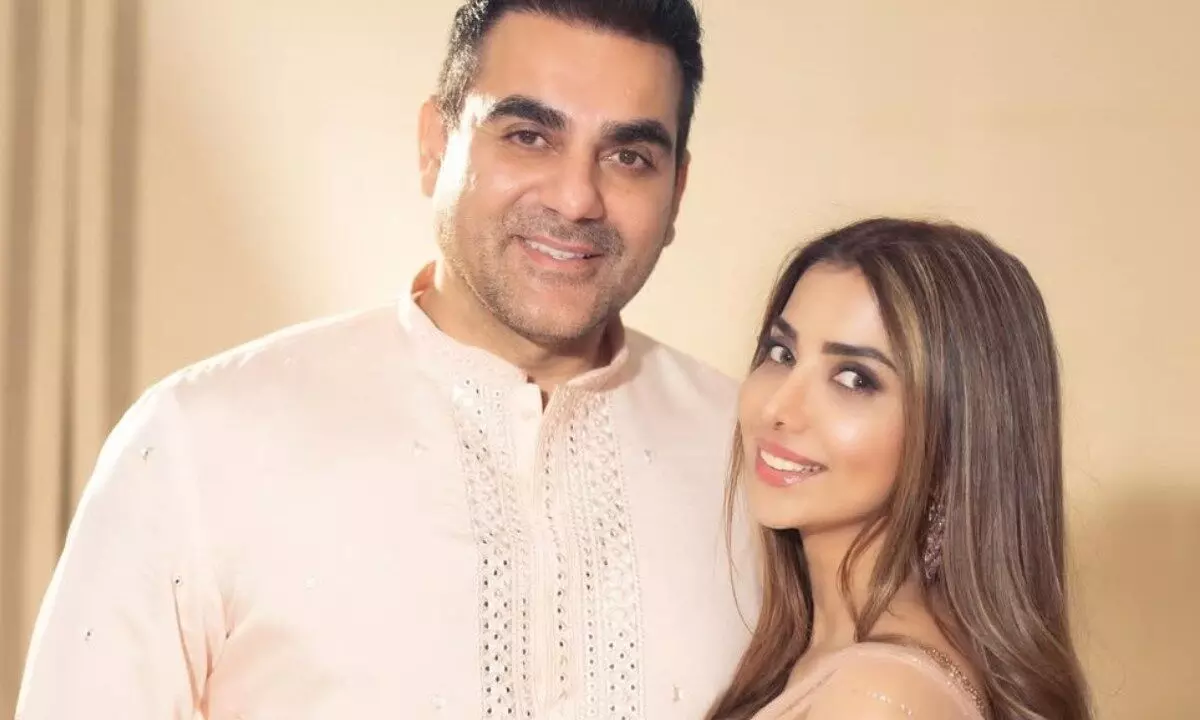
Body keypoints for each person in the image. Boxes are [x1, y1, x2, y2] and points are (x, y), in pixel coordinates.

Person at [16, 1, 754, 717]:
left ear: (676, 191)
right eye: (528, 135)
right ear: (435, 145)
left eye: (629, 157)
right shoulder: (196, 441)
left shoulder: (751, 461)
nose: (575, 198)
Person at [706, 219, 1092, 719]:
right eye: (782, 354)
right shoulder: (825, 659)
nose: (777, 406)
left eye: (853, 379)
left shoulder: (880, 697)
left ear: (954, 437)